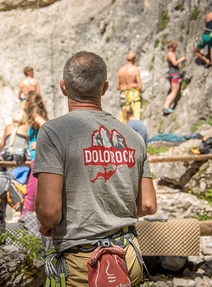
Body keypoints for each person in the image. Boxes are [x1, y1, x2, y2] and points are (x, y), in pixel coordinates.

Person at [34, 51, 157, 286]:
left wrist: (45, 222)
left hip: (83, 263)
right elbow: (148, 204)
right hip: (128, 257)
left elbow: (49, 211)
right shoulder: (133, 136)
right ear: (105, 88)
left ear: (63, 87)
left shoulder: (52, 132)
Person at [20, 91, 48, 218]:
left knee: (31, 191)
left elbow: (48, 128)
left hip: (38, 159)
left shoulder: (36, 116)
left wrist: (39, 144)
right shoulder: (37, 117)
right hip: (37, 159)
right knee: (35, 190)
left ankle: (24, 218)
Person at [116, 52, 143, 123]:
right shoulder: (135, 69)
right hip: (133, 93)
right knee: (135, 112)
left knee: (124, 113)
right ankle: (136, 128)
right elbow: (140, 86)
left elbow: (118, 87)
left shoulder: (120, 70)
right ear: (134, 59)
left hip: (123, 93)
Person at [163, 40, 186, 114]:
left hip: (171, 74)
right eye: (175, 47)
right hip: (174, 74)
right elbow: (175, 63)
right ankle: (166, 106)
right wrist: (181, 59)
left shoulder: (169, 54)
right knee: (174, 92)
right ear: (172, 47)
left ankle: (166, 106)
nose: (176, 49)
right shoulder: (170, 54)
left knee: (173, 91)